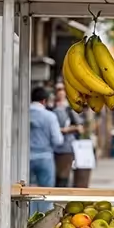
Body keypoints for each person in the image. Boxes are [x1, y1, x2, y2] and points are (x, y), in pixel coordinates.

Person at [29, 86, 65, 214]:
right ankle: (43, 223)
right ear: (44, 101)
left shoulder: (23, 115)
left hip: (26, 159)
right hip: (45, 157)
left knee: (28, 193)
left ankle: (29, 222)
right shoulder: (50, 116)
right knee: (45, 192)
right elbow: (58, 140)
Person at [52, 84, 84, 186]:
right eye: (58, 90)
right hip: (52, 148)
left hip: (66, 148)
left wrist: (67, 130)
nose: (61, 92)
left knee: (63, 176)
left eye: (62, 90)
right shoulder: (50, 108)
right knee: (54, 177)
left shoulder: (69, 109)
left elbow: (80, 128)